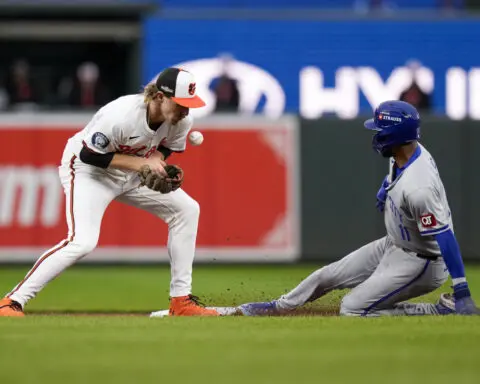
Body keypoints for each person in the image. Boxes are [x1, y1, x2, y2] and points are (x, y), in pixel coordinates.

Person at [0, 67, 219, 317]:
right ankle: (12, 301)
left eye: (189, 104)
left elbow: (166, 148)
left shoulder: (181, 120)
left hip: (130, 170)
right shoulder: (121, 114)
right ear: (159, 97)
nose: (185, 110)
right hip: (88, 171)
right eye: (180, 103)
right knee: (82, 242)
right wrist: (141, 164)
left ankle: (181, 302)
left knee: (187, 210)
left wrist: (158, 167)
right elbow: (89, 155)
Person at [239, 100, 479, 317]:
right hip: (394, 243)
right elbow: (400, 172)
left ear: (396, 134)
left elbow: (444, 235)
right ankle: (279, 307)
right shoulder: (405, 152)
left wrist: (462, 290)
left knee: (352, 309)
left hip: (422, 261)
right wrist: (387, 187)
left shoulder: (419, 187)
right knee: (327, 275)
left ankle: (437, 311)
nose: (376, 135)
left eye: (380, 130)